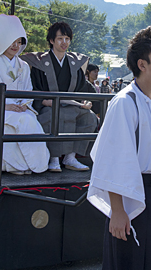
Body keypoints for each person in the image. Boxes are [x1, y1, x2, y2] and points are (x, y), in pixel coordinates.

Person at [88, 26, 151, 270]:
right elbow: (113, 162)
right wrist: (117, 211)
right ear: (142, 64)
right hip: (129, 198)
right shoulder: (125, 103)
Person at [0, 15, 50, 175]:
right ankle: (12, 166)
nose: (16, 46)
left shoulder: (23, 66)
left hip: (19, 107)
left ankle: (30, 165)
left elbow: (27, 90)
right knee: (11, 124)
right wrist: (5, 105)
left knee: (31, 121)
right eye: (12, 42)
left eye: (19, 42)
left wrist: (24, 105)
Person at [21, 21, 97, 173]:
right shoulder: (39, 62)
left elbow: (82, 89)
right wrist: (43, 100)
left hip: (72, 105)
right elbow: (33, 87)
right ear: (51, 40)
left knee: (89, 117)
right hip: (48, 107)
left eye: (67, 39)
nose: (65, 42)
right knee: (55, 115)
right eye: (60, 38)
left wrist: (85, 101)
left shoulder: (75, 63)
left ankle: (71, 157)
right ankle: (53, 158)